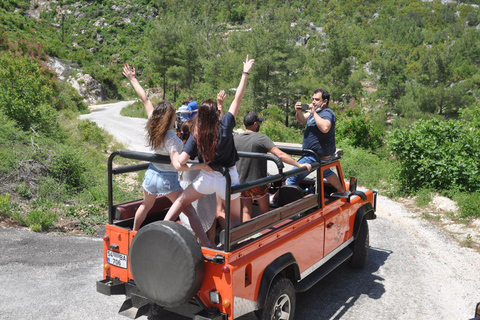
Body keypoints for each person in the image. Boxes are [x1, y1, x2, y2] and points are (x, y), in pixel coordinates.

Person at [122, 63, 212, 247]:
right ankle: (206, 243)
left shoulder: (153, 126)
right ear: (170, 118)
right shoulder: (172, 138)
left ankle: (134, 234)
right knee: (190, 212)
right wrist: (200, 166)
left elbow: (145, 99)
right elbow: (178, 165)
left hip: (151, 175)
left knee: (145, 206)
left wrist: (133, 79)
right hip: (167, 179)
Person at [165, 56, 255, 230]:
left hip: (207, 177)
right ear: (216, 114)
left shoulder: (196, 133)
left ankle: (163, 225)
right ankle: (229, 249)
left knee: (181, 200)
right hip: (228, 178)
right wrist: (245, 73)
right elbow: (238, 99)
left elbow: (181, 163)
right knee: (235, 218)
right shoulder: (226, 125)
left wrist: (191, 164)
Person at [234, 112, 312, 222]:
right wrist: (299, 165)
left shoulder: (236, 139)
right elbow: (280, 155)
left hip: (241, 183)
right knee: (266, 211)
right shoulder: (261, 138)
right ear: (255, 124)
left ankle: (247, 237)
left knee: (246, 211)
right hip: (258, 182)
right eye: (259, 122)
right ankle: (268, 234)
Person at [286, 88, 346, 194]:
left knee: (291, 178)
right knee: (326, 171)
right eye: (313, 99)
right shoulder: (316, 112)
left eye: (317, 99)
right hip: (315, 155)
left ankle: (276, 199)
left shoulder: (327, 113)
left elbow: (325, 128)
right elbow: (302, 120)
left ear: (325, 101)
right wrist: (298, 112)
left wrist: (314, 113)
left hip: (314, 156)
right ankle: (343, 191)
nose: (313, 101)